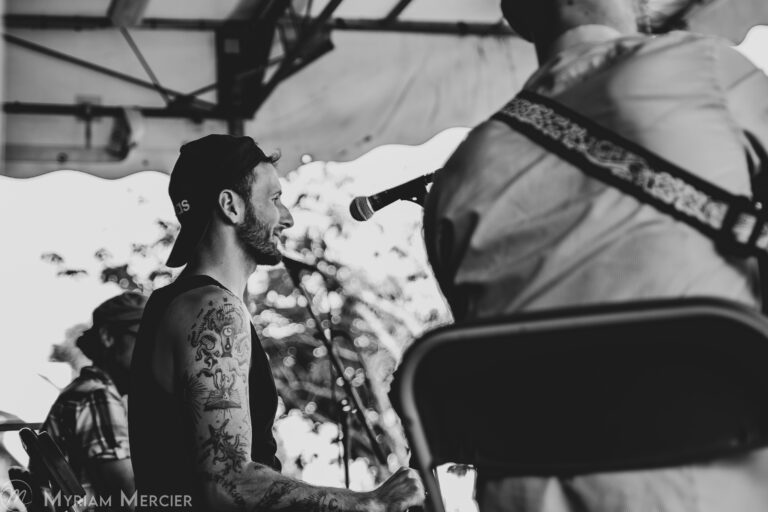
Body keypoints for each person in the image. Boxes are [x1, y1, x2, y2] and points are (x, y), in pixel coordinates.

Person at [423, 0, 768, 510]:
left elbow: (492, 362)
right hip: (719, 482)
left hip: (529, 491)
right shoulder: (702, 68)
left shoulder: (458, 176)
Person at [129, 135, 424, 512]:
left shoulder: (183, 303)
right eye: (274, 199)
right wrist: (369, 502)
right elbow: (227, 484)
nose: (287, 217)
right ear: (231, 206)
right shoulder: (213, 309)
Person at [42, 291, 146, 508]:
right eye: (145, 336)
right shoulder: (97, 397)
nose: (155, 348)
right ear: (108, 337)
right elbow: (128, 500)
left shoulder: (87, 390)